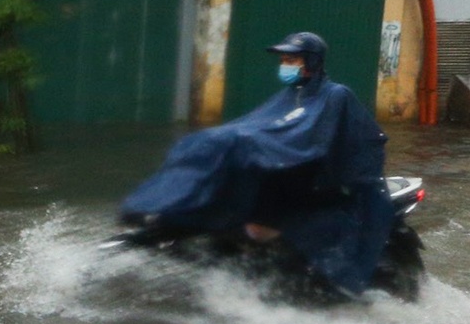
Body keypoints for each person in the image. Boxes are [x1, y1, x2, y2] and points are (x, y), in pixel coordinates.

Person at [121, 31, 394, 295]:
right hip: (281, 176)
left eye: (292, 60)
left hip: (319, 183)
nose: (285, 66)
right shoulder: (288, 96)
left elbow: (313, 138)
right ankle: (165, 206)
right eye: (284, 61)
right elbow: (257, 126)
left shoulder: (335, 95)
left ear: (312, 62)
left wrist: (260, 146)